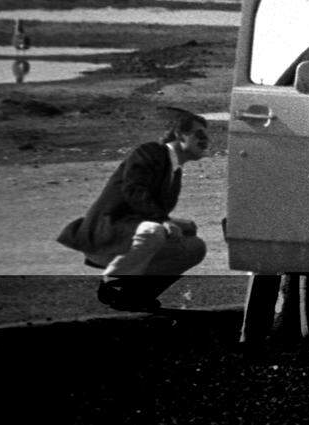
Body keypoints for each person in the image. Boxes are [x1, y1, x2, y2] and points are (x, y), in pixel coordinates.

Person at [57, 109, 209, 312]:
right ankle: (114, 285)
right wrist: (163, 220)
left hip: (128, 232)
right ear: (180, 135)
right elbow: (134, 190)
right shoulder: (150, 152)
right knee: (164, 235)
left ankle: (136, 296)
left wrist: (173, 222)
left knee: (193, 244)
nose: (206, 141)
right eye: (199, 134)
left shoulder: (173, 169)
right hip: (107, 232)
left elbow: (145, 207)